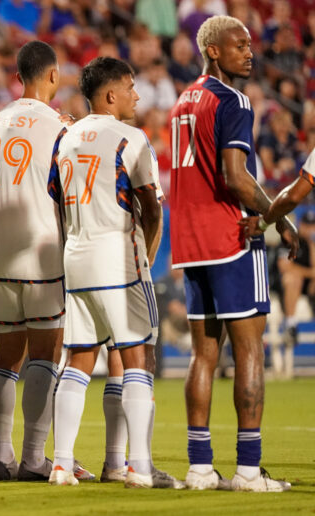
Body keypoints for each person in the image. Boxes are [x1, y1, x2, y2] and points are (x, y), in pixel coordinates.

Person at [169, 15, 296, 492]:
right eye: (239, 44)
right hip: (230, 237)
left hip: (191, 241)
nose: (250, 51)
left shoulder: (184, 99)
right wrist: (278, 217)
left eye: (250, 44)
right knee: (250, 350)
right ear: (214, 50)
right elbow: (235, 177)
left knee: (203, 354)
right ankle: (248, 469)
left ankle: (200, 467)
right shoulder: (233, 100)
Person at [50, 56, 181, 489]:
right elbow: (151, 205)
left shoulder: (65, 139)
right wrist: (143, 255)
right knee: (137, 355)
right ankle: (138, 466)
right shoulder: (131, 137)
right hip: (115, 255)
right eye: (129, 86)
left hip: (77, 254)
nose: (136, 94)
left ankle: (62, 464)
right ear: (110, 96)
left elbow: (56, 199)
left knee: (80, 358)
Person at [0, 40, 73, 482]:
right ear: (53, 75)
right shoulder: (59, 126)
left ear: (19, 76)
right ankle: (34, 458)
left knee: (6, 356)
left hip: (1, 252)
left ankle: (1, 458)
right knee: (45, 351)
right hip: (43, 251)